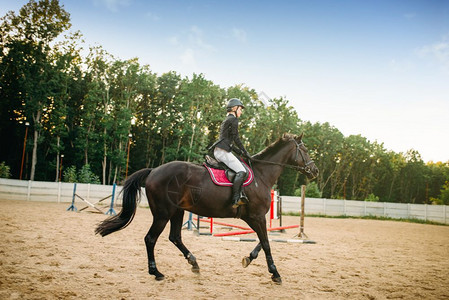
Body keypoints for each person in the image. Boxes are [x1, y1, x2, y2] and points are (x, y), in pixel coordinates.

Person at [211, 98, 252, 208]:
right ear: (234, 108)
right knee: (242, 171)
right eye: (240, 109)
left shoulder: (227, 119)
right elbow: (236, 138)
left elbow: (229, 142)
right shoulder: (233, 120)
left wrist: (241, 152)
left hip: (220, 151)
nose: (241, 112)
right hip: (223, 152)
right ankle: (235, 198)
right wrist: (245, 151)